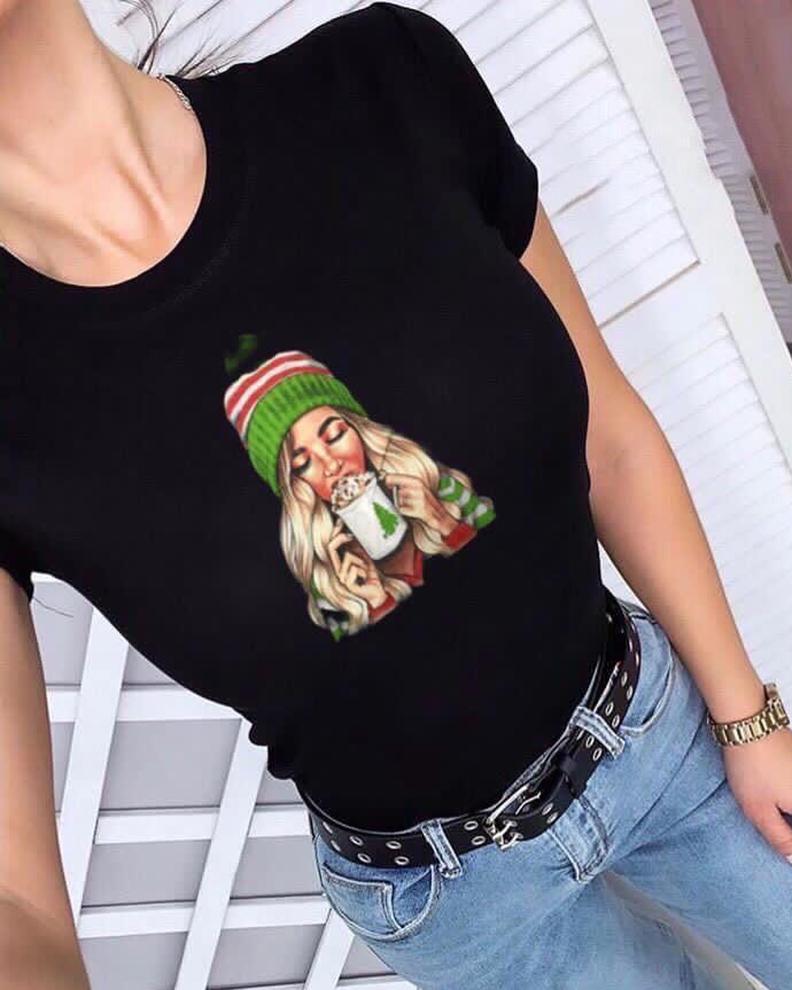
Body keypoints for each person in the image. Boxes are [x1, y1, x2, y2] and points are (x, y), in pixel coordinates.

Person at [1, 2, 791, 988]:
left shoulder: (387, 83)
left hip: (656, 732)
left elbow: (613, 438)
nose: (326, 456)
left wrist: (749, 719)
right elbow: (17, 902)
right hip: (450, 902)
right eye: (301, 455)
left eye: (331, 430)